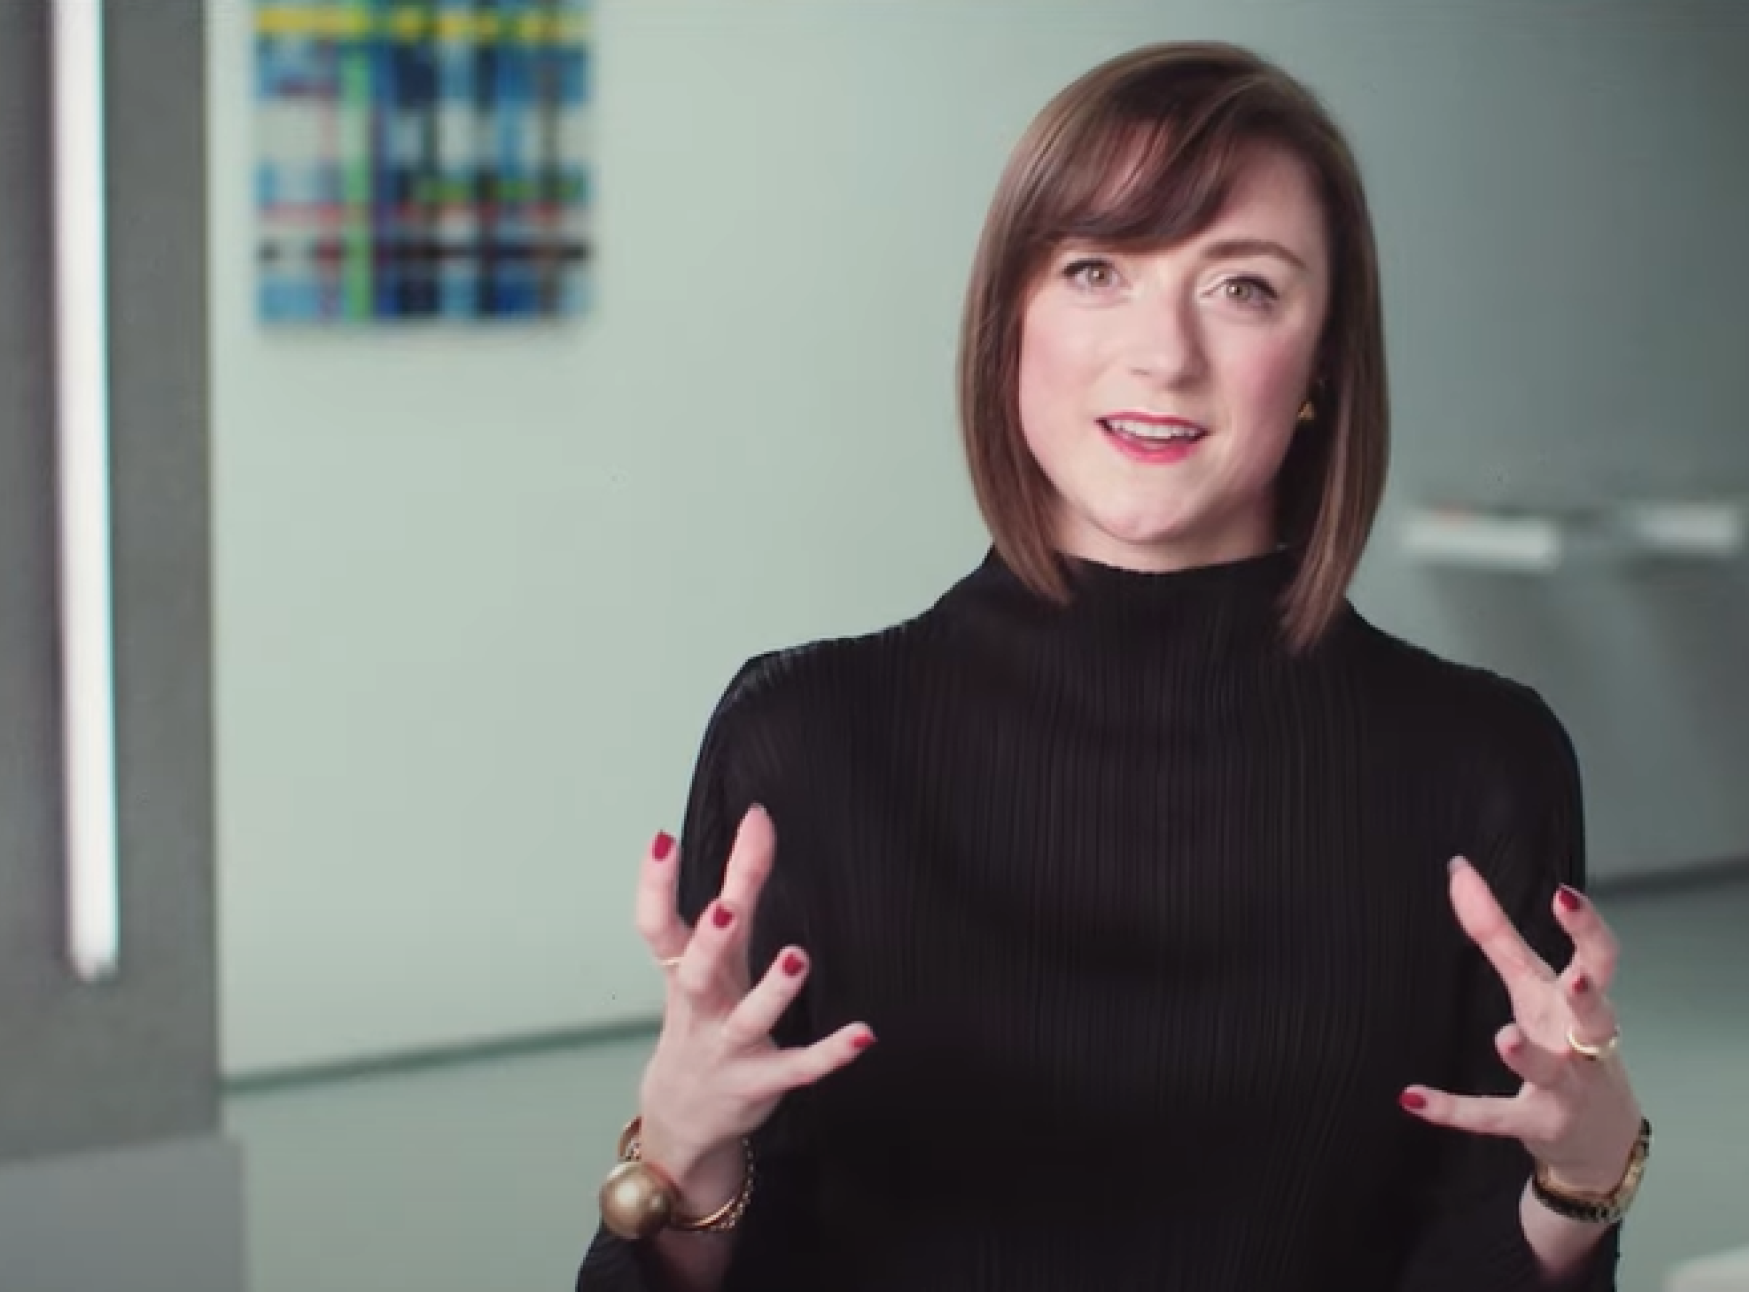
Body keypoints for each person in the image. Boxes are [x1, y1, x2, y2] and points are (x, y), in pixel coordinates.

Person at [575, 39, 1649, 1292]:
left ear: (1322, 365)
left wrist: (1580, 1181)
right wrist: (685, 1153)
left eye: (1242, 287)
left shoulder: (1482, 761)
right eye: (1097, 270)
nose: (1164, 353)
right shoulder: (804, 738)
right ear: (1011, 320)